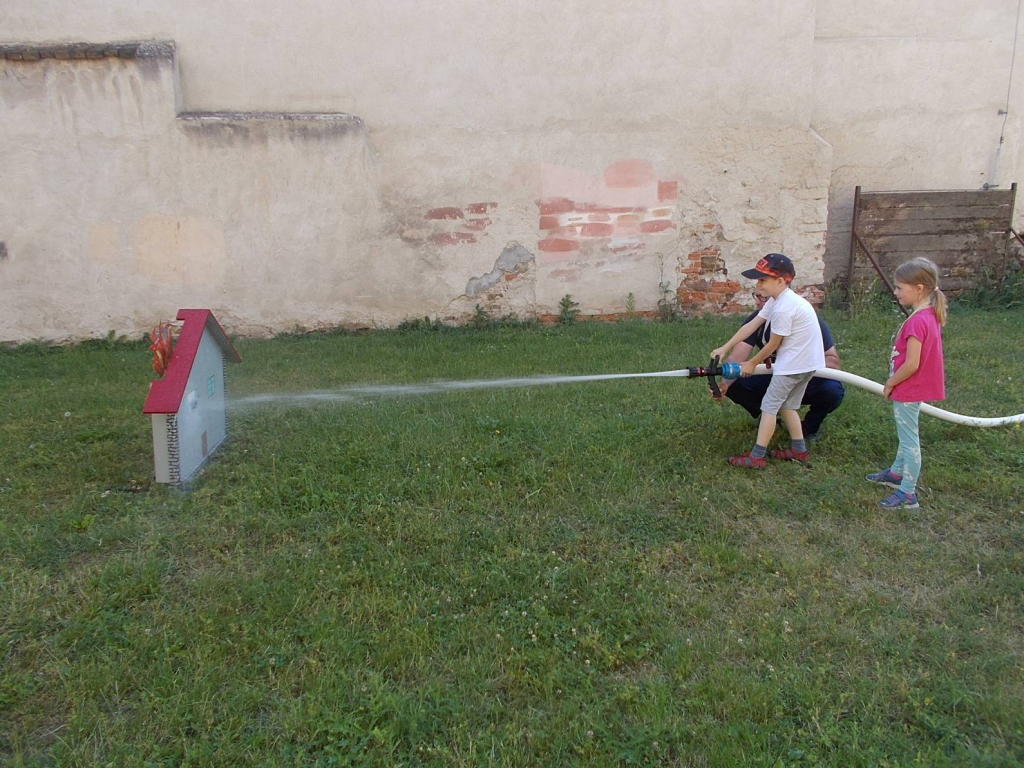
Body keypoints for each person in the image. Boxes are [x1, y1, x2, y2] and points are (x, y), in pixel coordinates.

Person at [710, 253, 825, 468]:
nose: (758, 285)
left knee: (769, 407)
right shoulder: (778, 300)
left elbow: (773, 344)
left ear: (780, 281)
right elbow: (752, 325)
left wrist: (752, 363)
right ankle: (799, 450)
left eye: (762, 280)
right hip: (806, 365)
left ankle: (757, 456)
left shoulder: (784, 308)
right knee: (788, 406)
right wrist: (725, 347)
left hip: (793, 367)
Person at [865, 257, 947, 509]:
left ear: (919, 288)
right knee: (906, 432)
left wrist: (890, 383)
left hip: (909, 388)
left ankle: (908, 494)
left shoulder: (917, 321)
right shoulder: (928, 315)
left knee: (909, 439)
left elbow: (912, 364)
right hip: (912, 387)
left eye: (900, 287)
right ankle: (896, 473)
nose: (896, 291)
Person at [716, 291, 844, 441]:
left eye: (763, 297)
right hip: (775, 376)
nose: (757, 301)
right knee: (735, 381)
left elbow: (832, 362)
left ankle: (809, 428)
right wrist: (724, 384)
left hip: (805, 377)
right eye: (756, 295)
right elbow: (736, 358)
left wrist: (797, 365)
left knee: (832, 390)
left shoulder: (806, 318)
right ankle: (769, 417)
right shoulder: (758, 320)